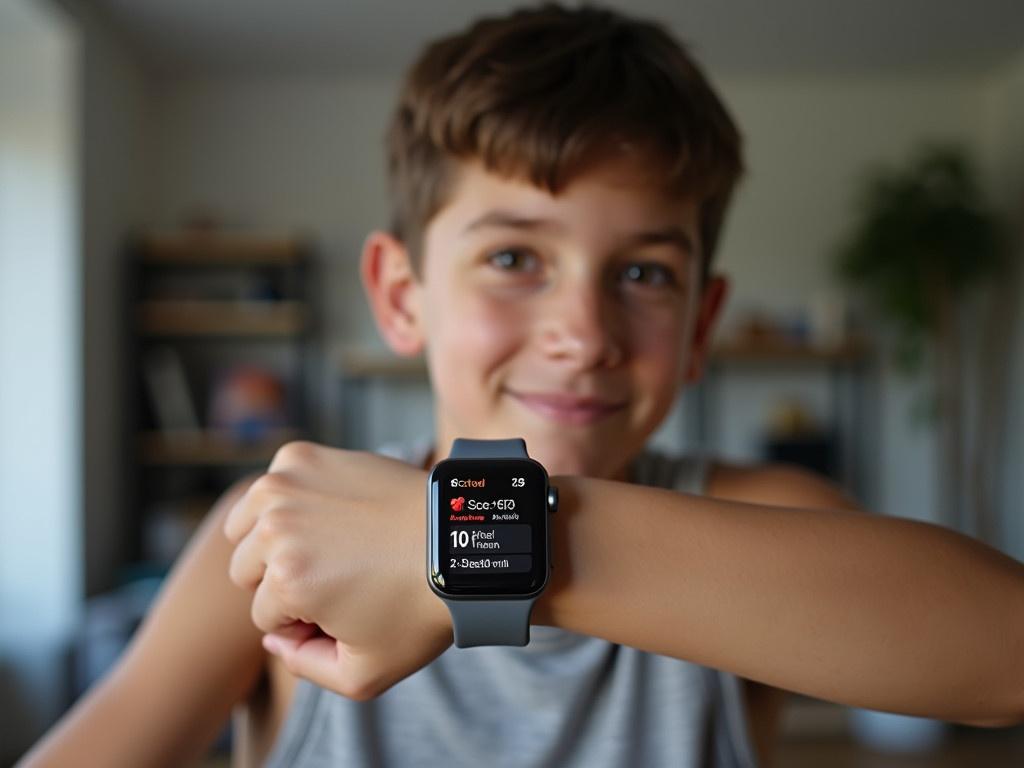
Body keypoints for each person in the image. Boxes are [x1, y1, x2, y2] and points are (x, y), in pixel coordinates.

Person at [20, 5, 1024, 767]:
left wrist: (469, 539)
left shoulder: (751, 518)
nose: (584, 334)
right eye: (513, 260)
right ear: (401, 295)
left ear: (700, 326)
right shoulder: (277, 538)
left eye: (642, 274)